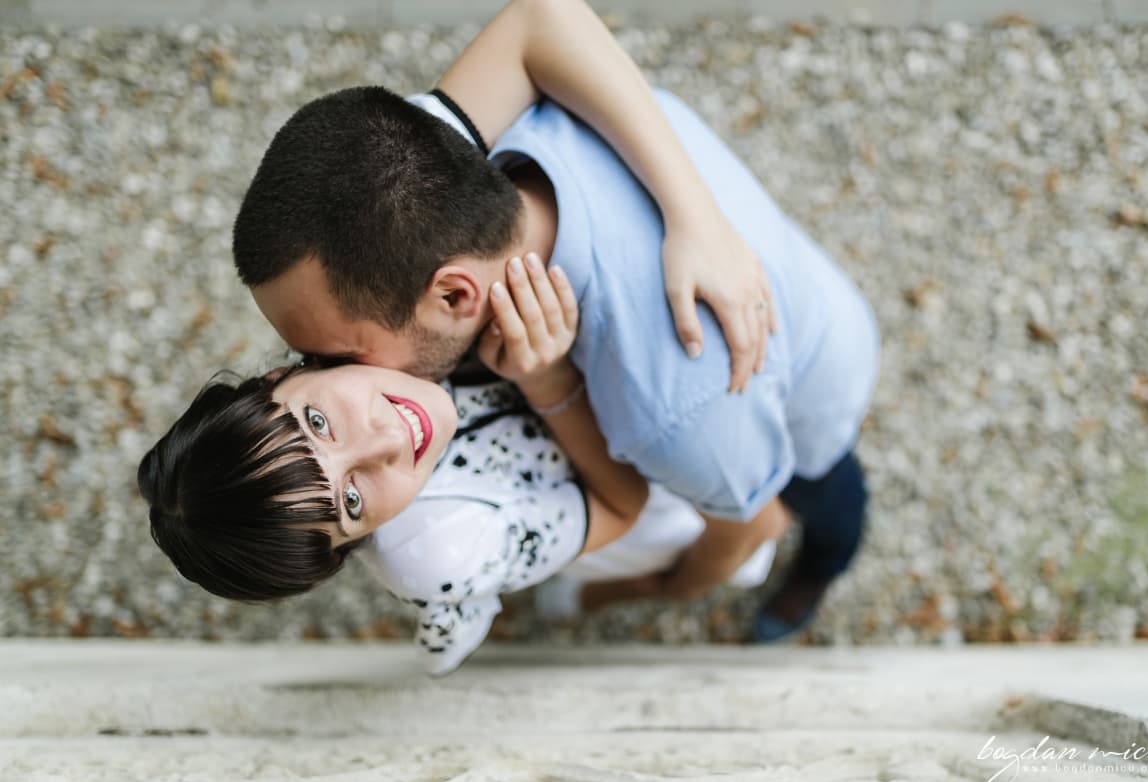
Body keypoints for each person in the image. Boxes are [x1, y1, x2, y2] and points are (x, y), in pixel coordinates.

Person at [235, 0, 880, 639]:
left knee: (831, 495)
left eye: (339, 356)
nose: (322, 374)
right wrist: (695, 214)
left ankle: (825, 566)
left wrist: (660, 589)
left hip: (820, 376)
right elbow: (543, 17)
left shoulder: (676, 418)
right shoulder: (418, 174)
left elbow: (755, 524)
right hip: (787, 264)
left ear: (457, 297)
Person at [140, 253, 784, 675]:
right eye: (353, 501)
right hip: (624, 504)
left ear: (284, 371)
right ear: (350, 547)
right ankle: (620, 594)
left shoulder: (347, 324)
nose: (388, 439)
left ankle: (570, 600)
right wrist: (549, 380)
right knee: (756, 529)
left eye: (317, 423)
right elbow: (625, 505)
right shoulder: (437, 548)